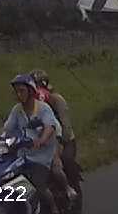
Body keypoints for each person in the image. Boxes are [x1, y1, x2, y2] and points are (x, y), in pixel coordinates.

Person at [1, 73, 61, 214]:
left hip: (41, 156)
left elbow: (50, 126)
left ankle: (54, 208)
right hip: (22, 156)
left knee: (38, 186)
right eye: (16, 91)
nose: (19, 94)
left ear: (31, 91)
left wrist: (42, 139)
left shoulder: (43, 108)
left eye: (22, 91)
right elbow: (8, 129)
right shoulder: (17, 110)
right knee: (8, 181)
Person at [31, 69, 81, 201]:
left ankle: (72, 187)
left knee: (66, 160)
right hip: (42, 140)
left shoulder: (57, 100)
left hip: (64, 139)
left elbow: (65, 125)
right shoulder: (30, 104)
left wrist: (60, 142)